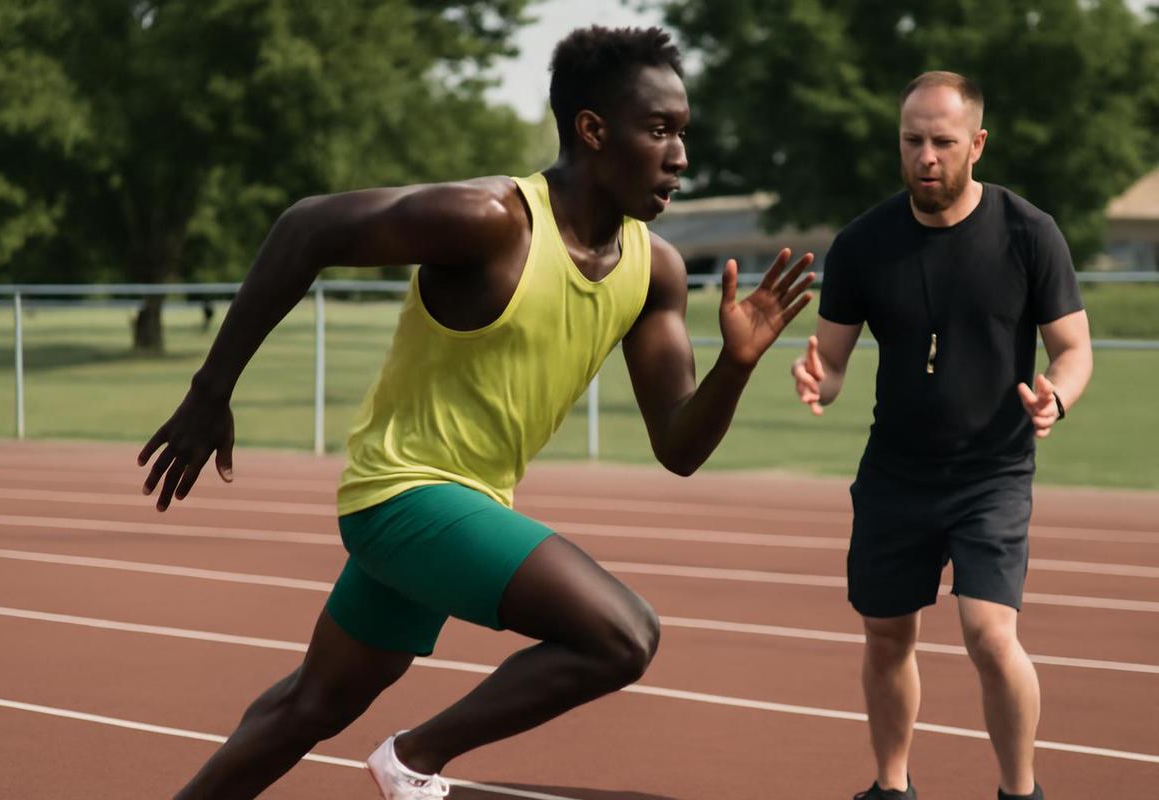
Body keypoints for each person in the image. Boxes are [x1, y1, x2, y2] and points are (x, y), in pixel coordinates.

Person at [140, 26, 814, 800]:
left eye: (683, 134)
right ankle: (415, 761)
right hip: (400, 496)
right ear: (593, 130)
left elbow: (679, 447)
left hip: (462, 508)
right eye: (659, 130)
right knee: (623, 635)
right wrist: (209, 391)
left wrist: (734, 365)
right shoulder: (492, 220)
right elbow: (307, 227)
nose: (681, 157)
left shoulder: (654, 270)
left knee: (309, 705)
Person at [791, 71, 1092, 800]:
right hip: (895, 473)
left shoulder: (1029, 233)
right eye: (913, 140)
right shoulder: (863, 243)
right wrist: (817, 381)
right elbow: (830, 361)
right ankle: (891, 787)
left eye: (943, 142)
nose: (926, 155)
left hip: (991, 472)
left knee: (990, 636)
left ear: (976, 145)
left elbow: (1073, 348)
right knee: (887, 636)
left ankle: (1020, 791)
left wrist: (1059, 395)